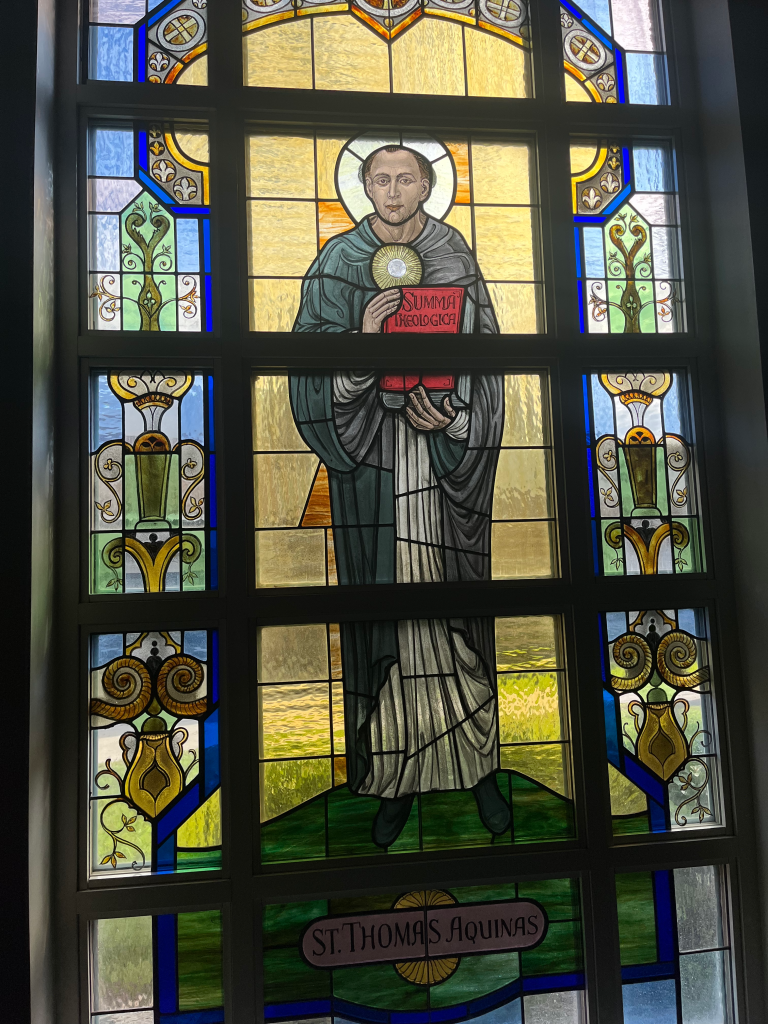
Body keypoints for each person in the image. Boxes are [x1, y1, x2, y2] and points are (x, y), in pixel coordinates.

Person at [290, 144, 507, 847]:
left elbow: (492, 368)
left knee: (449, 620)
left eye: (405, 179)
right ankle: (394, 776)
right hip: (374, 475)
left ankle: (477, 767)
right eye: (379, 179)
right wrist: (361, 345)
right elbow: (303, 370)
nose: (391, 191)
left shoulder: (455, 256)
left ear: (427, 186)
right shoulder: (336, 263)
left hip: (442, 479)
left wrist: (457, 420)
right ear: (363, 186)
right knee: (390, 621)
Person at [292, 144, 499, 334]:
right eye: (383, 181)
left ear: (424, 189)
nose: (393, 193)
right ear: (369, 188)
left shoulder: (449, 247)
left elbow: (484, 332)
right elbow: (307, 337)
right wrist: (364, 334)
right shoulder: (341, 254)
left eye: (404, 180)